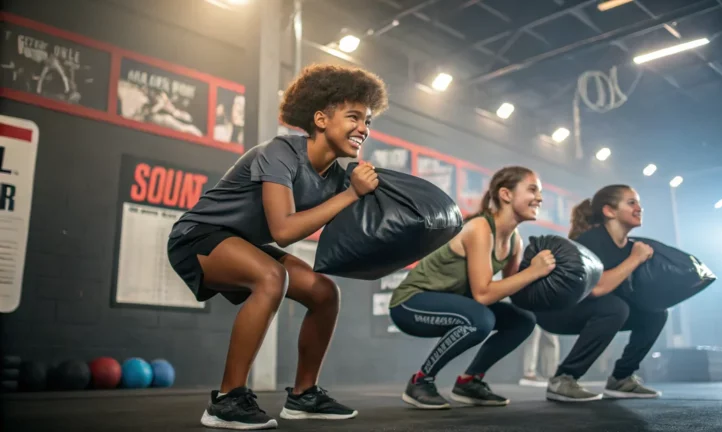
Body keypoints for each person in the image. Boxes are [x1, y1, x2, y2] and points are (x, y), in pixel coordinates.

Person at [166, 64, 389, 429]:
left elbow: (358, 231)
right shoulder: (280, 152)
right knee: (272, 277)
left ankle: (304, 395)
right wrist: (351, 194)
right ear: (320, 119)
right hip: (196, 236)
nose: (364, 129)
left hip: (241, 242)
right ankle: (227, 400)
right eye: (354, 117)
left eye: (368, 121)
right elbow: (283, 230)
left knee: (324, 292)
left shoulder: (336, 177)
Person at [388, 166, 557, 409]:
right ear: (506, 195)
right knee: (481, 318)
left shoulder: (514, 240)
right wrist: (533, 272)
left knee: (523, 320)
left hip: (457, 306)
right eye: (532, 190)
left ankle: (469, 382)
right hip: (410, 304)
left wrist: (550, 288)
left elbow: (513, 291)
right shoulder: (480, 228)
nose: (539, 198)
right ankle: (420, 382)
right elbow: (483, 294)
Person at [535, 185, 667, 402]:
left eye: (639, 203)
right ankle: (564, 378)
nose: (639, 208)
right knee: (615, 307)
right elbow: (597, 289)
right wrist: (635, 259)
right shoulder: (592, 240)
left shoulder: (630, 247)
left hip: (590, 308)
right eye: (631, 202)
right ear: (609, 211)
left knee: (656, 312)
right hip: (555, 312)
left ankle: (621, 379)